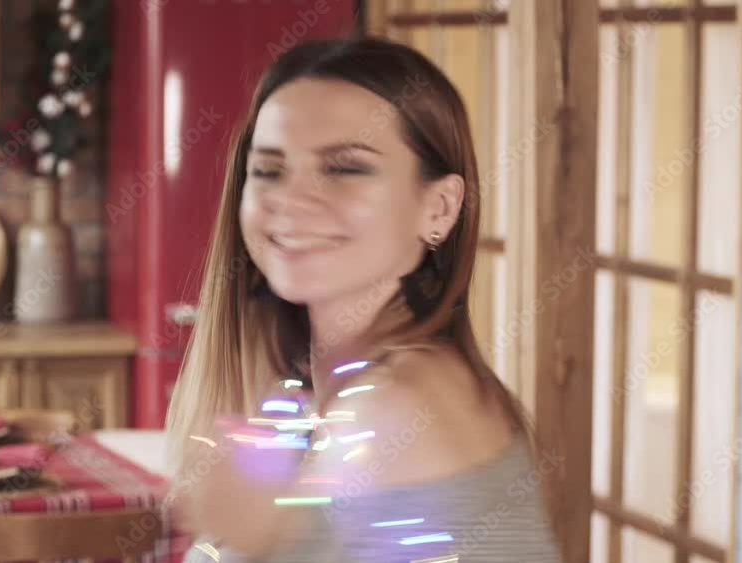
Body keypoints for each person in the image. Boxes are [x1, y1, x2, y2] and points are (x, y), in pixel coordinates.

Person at [167, 36, 562, 563]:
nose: (291, 199)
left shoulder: (392, 410)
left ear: (439, 208)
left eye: (345, 168)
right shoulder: (317, 391)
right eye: (269, 170)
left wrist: (262, 536)